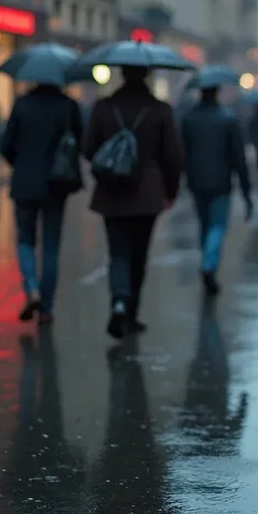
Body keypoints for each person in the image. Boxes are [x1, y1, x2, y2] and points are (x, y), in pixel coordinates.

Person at [83, 65, 184, 338]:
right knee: (139, 254)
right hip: (147, 192)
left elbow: (88, 147)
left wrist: (111, 163)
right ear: (148, 76)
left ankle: (118, 301)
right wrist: (170, 191)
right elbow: (173, 156)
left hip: (112, 190)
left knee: (118, 253)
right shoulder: (160, 110)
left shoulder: (104, 107)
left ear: (122, 75)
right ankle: (132, 313)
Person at [0, 82, 84, 324]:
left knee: (25, 239)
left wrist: (20, 164)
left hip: (25, 182)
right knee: (50, 245)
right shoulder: (68, 106)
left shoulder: (22, 104)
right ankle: (46, 307)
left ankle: (31, 288)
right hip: (57, 184)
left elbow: (6, 144)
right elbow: (79, 142)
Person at [180, 83, 253, 295]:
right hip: (221, 182)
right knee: (218, 225)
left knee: (205, 224)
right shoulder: (228, 119)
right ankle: (209, 265)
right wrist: (246, 190)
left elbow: (181, 152)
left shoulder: (189, 119)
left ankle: (207, 260)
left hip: (196, 181)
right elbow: (239, 158)